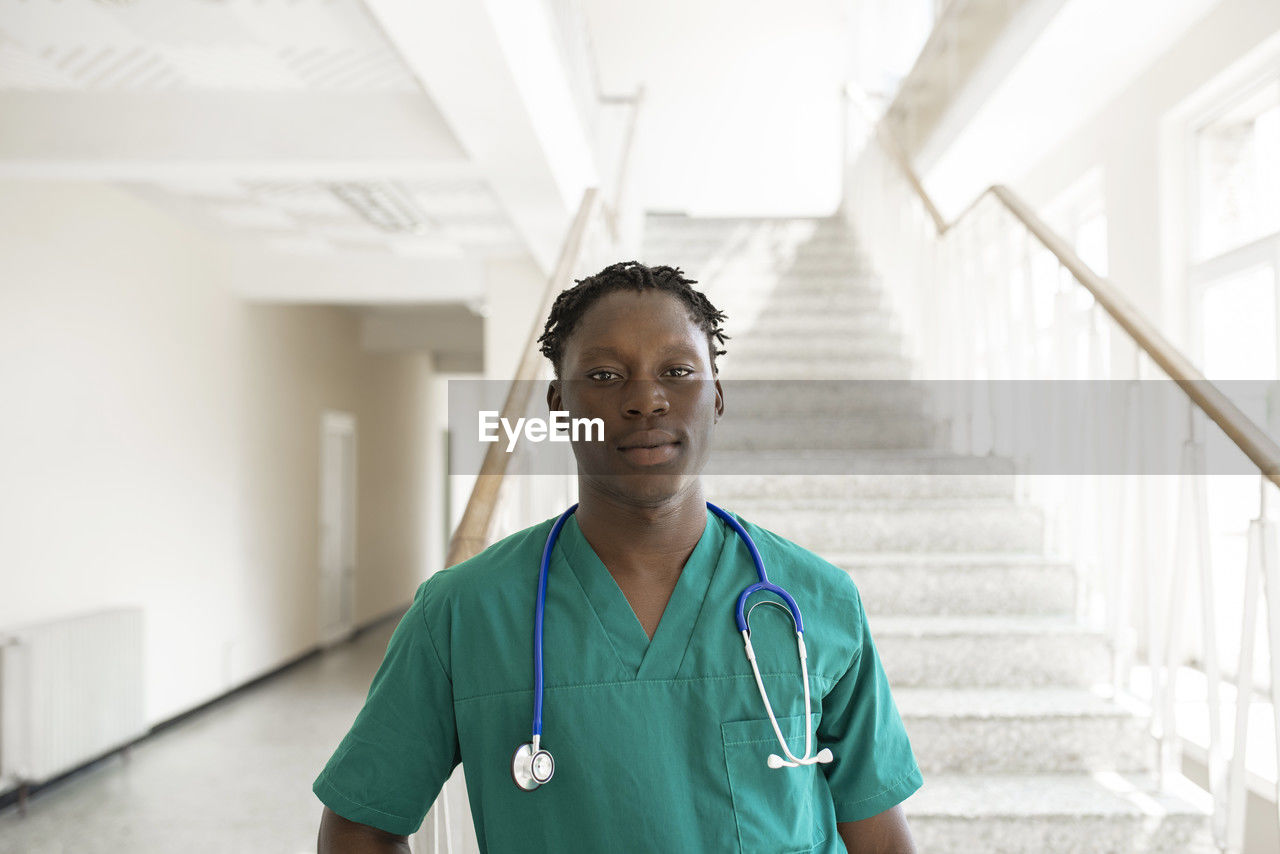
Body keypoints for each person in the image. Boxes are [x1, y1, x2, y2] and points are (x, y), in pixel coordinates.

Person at [313, 261, 922, 853]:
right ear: (559, 405)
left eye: (678, 371)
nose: (646, 400)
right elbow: (360, 827)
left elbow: (880, 837)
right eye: (604, 376)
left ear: (716, 397)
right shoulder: (463, 613)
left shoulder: (818, 601)